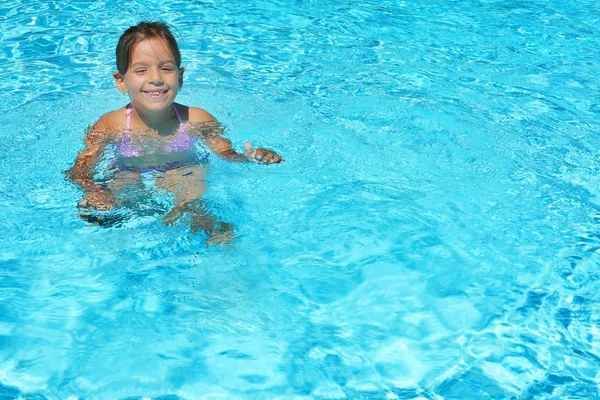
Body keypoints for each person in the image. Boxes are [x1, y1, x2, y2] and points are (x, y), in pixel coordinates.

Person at [67, 21, 283, 243]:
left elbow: (226, 155)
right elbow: (79, 171)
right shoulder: (110, 124)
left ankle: (208, 226)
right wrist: (95, 190)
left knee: (191, 182)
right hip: (129, 170)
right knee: (118, 186)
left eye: (166, 68)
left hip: (182, 170)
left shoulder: (197, 120)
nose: (156, 78)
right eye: (141, 70)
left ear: (180, 77)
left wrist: (249, 158)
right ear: (121, 81)